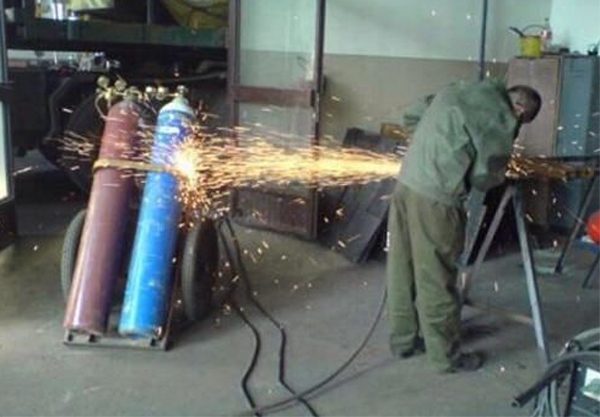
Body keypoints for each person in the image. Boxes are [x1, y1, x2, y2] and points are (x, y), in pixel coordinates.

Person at [386, 80, 541, 373]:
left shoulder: (461, 89)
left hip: (406, 184)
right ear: (520, 110)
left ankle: (404, 341)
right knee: (437, 277)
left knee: (401, 268)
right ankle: (446, 357)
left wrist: (436, 152)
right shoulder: (500, 117)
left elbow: (412, 115)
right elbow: (484, 176)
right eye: (522, 122)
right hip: (437, 200)